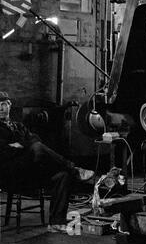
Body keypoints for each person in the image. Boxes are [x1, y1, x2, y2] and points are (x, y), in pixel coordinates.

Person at [0, 92, 94, 233]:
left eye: (3, 104)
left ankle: (56, 223)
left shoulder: (19, 126)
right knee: (37, 149)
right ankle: (75, 169)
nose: (1, 108)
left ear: (9, 105)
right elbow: (3, 152)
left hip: (29, 173)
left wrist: (20, 145)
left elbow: (36, 139)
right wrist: (25, 146)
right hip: (10, 174)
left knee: (63, 175)